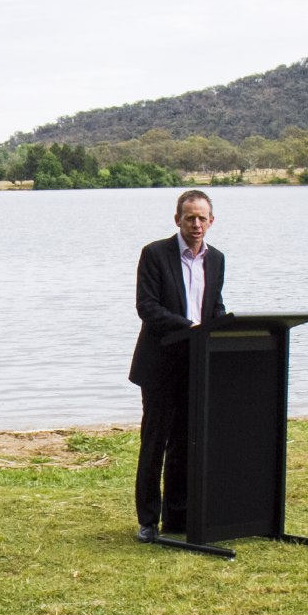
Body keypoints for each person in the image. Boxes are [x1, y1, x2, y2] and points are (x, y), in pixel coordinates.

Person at [129, 189, 226, 541]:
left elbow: (213, 307)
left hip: (195, 366)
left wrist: (221, 330)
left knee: (185, 445)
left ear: (211, 221)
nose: (196, 224)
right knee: (154, 443)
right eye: (190, 218)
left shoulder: (217, 259)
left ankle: (178, 518)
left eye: (202, 218)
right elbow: (147, 307)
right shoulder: (154, 254)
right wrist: (191, 328)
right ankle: (147, 521)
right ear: (177, 220)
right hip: (159, 366)